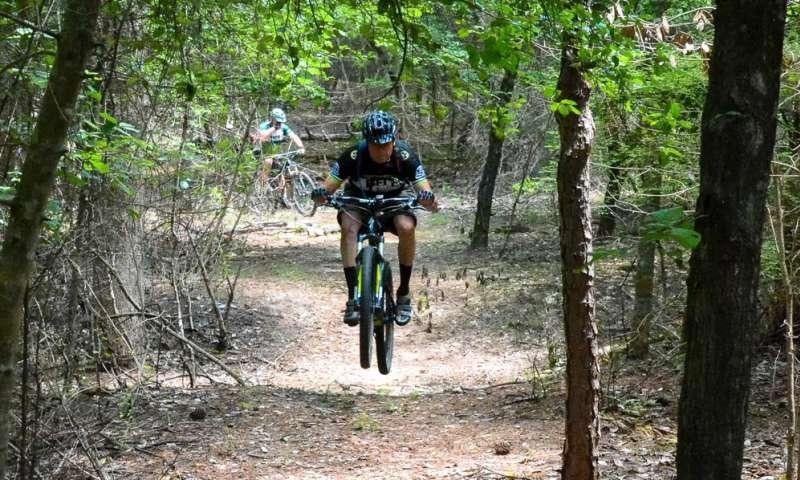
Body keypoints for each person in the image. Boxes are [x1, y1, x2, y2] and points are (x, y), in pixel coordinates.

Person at [311, 110, 438, 327]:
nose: (382, 150)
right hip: (358, 201)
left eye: (387, 144)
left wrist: (427, 198)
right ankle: (352, 296)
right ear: (366, 141)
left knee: (407, 227)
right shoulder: (353, 155)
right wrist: (321, 194)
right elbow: (329, 186)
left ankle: (404, 293)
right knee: (349, 227)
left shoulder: (405, 156)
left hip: (394, 202)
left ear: (394, 140)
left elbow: (425, 190)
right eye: (376, 145)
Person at [251, 107, 305, 172]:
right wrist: (274, 128)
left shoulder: (283, 127)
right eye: (278, 121)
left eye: (280, 122)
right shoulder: (264, 126)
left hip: (277, 154)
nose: (279, 123)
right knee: (268, 161)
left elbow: (293, 136)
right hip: (262, 153)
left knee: (289, 162)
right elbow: (262, 137)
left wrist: (301, 147)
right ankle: (264, 181)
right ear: (272, 119)